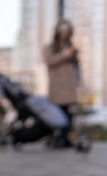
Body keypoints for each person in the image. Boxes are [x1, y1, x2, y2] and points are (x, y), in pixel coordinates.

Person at [42, 19, 80, 148]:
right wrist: (64, 55)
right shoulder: (50, 47)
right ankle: (56, 138)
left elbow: (76, 68)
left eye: (67, 31)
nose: (65, 34)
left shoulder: (71, 48)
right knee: (57, 114)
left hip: (70, 86)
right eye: (63, 31)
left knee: (68, 114)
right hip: (58, 86)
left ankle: (66, 138)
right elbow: (49, 61)